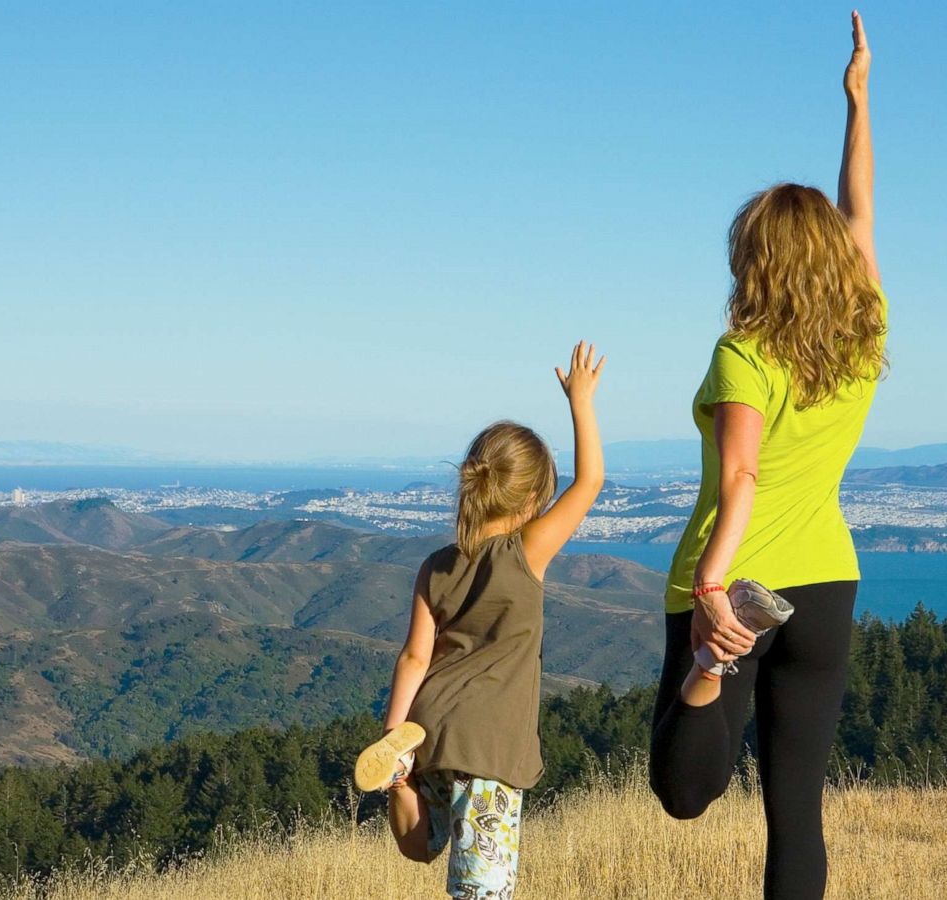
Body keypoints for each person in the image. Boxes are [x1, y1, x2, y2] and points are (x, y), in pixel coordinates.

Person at [648, 11, 886, 899]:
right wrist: (857, 103)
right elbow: (860, 206)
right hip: (825, 581)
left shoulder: (743, 353)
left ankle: (711, 669)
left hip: (737, 587)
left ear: (755, 262)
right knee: (798, 811)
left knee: (684, 790)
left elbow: (741, 473)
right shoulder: (865, 332)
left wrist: (713, 595)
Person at [353, 341, 605, 899]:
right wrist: (581, 400)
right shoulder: (526, 551)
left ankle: (400, 784)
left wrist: (396, 737)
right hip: (489, 748)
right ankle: (400, 782)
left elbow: (416, 656)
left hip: (431, 728)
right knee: (483, 892)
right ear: (534, 498)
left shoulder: (436, 566)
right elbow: (590, 484)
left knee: (423, 846)